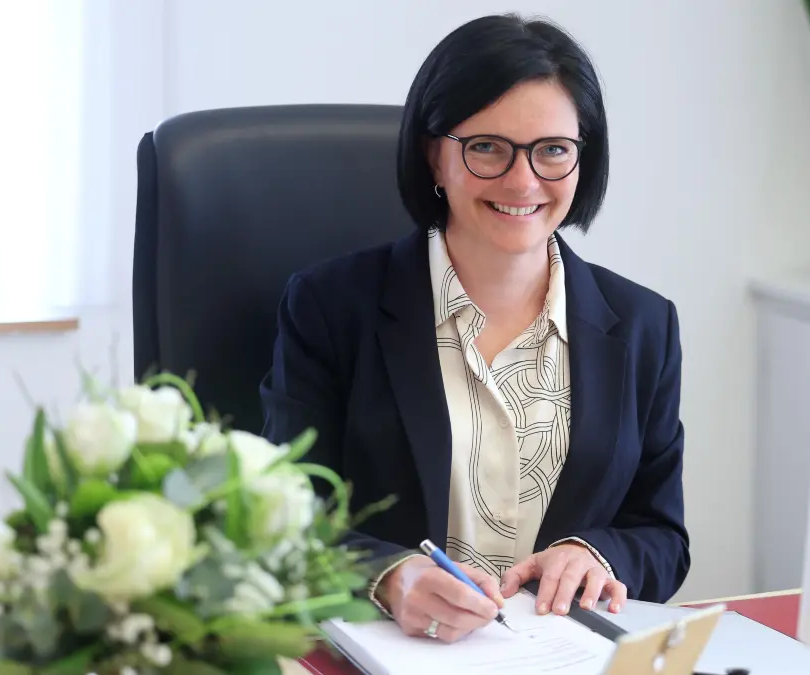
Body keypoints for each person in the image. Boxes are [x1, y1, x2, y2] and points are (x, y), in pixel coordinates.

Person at [260, 13, 689, 644]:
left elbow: (662, 535)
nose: (523, 181)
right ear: (434, 153)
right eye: (487, 147)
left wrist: (599, 555)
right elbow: (284, 518)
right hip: (394, 652)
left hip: (561, 656)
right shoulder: (331, 306)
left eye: (552, 151)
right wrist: (388, 576)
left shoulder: (645, 326)